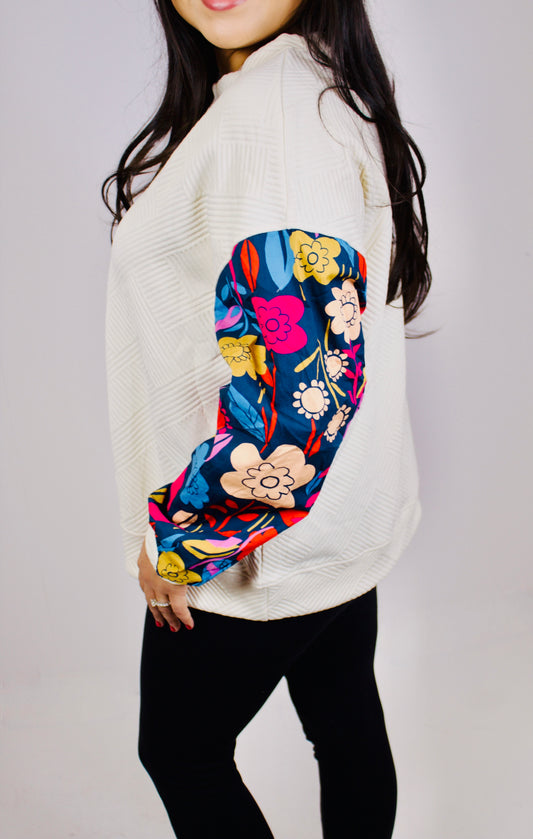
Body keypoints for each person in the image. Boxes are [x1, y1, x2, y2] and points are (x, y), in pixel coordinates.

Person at [102, 1, 432, 836]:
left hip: (255, 537)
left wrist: (184, 537)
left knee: (181, 751)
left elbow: (299, 396)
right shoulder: (313, 85)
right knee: (342, 716)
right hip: (337, 521)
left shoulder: (274, 120)